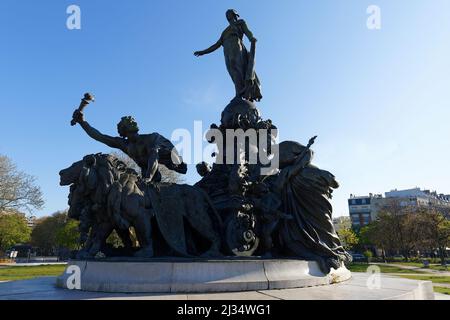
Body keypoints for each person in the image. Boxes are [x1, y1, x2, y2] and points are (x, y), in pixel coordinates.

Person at [274, 141, 351, 273]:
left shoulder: (285, 146)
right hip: (294, 189)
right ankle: (316, 248)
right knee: (300, 225)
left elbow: (309, 152)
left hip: (307, 179)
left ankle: (332, 249)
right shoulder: (269, 160)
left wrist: (294, 170)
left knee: (321, 218)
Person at [72, 110, 187, 182]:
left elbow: (154, 156)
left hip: (165, 160)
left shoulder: (151, 138)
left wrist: (148, 177)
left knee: (160, 160)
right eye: (128, 133)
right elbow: (100, 137)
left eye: (133, 132)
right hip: (147, 169)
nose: (132, 135)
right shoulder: (124, 144)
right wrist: (82, 122)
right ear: (124, 133)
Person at [194, 9, 262, 102]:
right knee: (232, 71)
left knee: (237, 67)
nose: (227, 15)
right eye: (226, 14)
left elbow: (247, 31)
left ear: (234, 14)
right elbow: (216, 45)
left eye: (229, 13)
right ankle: (238, 92)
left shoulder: (240, 23)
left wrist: (251, 38)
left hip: (236, 46)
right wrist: (203, 52)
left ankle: (243, 91)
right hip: (226, 50)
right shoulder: (224, 32)